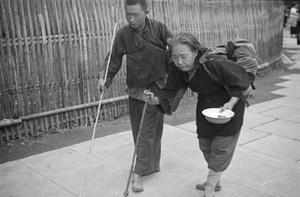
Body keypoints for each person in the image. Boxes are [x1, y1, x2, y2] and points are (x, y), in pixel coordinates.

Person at [143, 32, 252, 197]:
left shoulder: (213, 63)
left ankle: (210, 186)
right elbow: (169, 91)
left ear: (195, 52)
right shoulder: (177, 68)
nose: (179, 62)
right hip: (205, 107)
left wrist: (230, 104)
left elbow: (241, 82)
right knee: (205, 145)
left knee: (221, 148)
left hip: (229, 106)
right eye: (174, 57)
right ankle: (215, 180)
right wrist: (154, 99)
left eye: (184, 56)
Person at [97, 0, 174, 193]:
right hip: (135, 89)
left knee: (150, 131)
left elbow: (177, 47)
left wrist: (170, 66)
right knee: (138, 132)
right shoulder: (124, 34)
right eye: (127, 14)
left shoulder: (160, 28)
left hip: (156, 88)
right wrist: (104, 79)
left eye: (136, 15)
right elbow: (113, 59)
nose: (131, 19)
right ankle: (144, 169)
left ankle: (143, 170)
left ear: (146, 12)